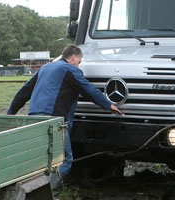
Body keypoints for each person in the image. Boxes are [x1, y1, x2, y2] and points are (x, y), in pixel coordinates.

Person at [7, 44, 123, 192]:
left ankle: (36, 191)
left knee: (44, 157)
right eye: (79, 61)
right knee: (64, 158)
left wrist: (11, 112)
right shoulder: (70, 69)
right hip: (54, 120)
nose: (79, 65)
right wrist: (108, 105)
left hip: (35, 117)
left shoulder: (45, 68)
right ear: (73, 57)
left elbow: (25, 91)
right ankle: (51, 194)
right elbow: (88, 89)